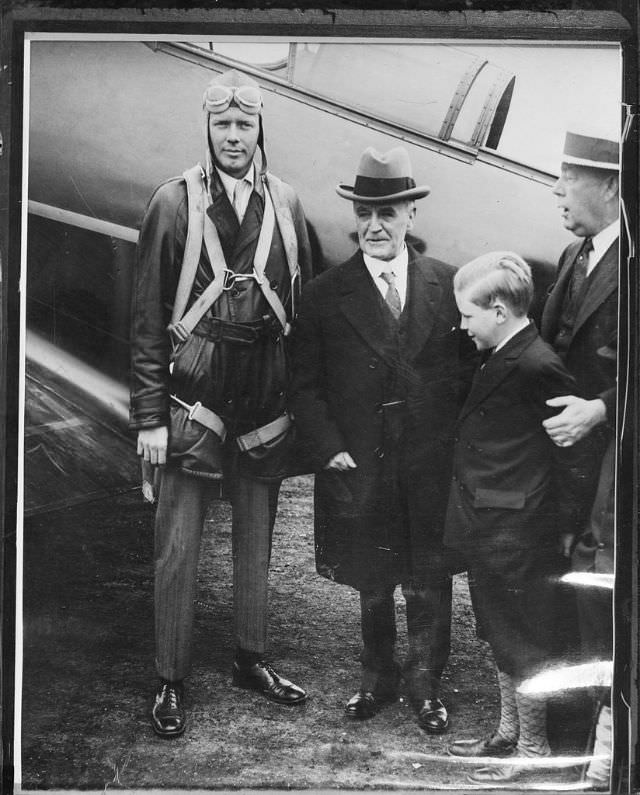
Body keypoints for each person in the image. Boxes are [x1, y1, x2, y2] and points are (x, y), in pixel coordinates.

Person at [129, 68, 313, 737]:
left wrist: (299, 402)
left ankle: (250, 656)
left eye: (245, 124)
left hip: (262, 395)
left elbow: (303, 307)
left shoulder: (287, 204)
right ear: (207, 128)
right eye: (223, 124)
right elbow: (148, 318)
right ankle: (170, 676)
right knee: (177, 545)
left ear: (261, 126)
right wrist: (149, 417)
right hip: (192, 397)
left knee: (257, 541)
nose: (234, 136)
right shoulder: (173, 203)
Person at [290, 146, 475, 733]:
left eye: (388, 212)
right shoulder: (324, 295)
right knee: (371, 571)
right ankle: (377, 675)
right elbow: (303, 384)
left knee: (429, 573)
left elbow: (468, 376)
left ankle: (425, 683)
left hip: (427, 459)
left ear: (410, 216)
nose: (375, 224)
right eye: (366, 212)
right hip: (358, 459)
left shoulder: (448, 285)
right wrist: (328, 447)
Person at [444, 251, 589, 783]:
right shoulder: (506, 352)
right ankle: (509, 732)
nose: (462, 326)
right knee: (500, 632)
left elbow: (571, 451)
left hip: (519, 528)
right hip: (491, 522)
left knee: (523, 638)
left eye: (468, 316)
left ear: (500, 311)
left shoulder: (537, 363)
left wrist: (566, 524)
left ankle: (532, 749)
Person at [540, 126, 619, 787]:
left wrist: (600, 408)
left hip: (612, 465)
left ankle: (603, 751)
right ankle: (567, 739)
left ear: (613, 187)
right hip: (565, 466)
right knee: (563, 589)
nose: (557, 189)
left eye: (570, 179)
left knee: (599, 593)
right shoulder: (576, 255)